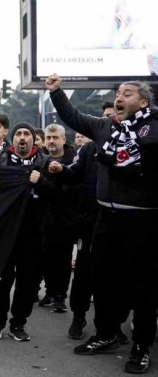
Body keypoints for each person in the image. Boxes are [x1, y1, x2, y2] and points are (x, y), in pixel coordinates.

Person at [47, 74, 157, 374]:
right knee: (103, 280)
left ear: (143, 102)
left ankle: (141, 346)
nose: (120, 97)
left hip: (142, 219)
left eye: (128, 93)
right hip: (105, 217)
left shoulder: (153, 127)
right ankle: (105, 333)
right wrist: (56, 92)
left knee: (142, 287)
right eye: (118, 92)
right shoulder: (105, 127)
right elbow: (73, 117)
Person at [48, 102, 130, 343]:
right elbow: (73, 173)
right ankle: (79, 317)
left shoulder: (133, 148)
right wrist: (61, 171)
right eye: (106, 117)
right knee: (84, 273)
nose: (111, 120)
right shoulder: (88, 149)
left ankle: (113, 325)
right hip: (90, 224)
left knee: (117, 277)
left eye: (115, 115)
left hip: (122, 224)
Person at [0, 122, 53, 343]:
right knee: (1, 280)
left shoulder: (45, 162)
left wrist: (42, 181)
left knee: (28, 281)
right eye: (18, 134)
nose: (22, 137)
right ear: (12, 139)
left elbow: (59, 193)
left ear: (33, 139)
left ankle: (18, 323)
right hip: (5, 232)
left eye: (26, 134)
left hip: (33, 232)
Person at [39, 124, 79, 313]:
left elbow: (76, 186)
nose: (51, 141)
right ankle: (49, 291)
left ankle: (60, 296)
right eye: (48, 137)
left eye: (55, 137)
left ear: (63, 139)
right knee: (46, 257)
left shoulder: (75, 160)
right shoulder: (40, 160)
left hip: (66, 217)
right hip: (43, 218)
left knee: (63, 259)